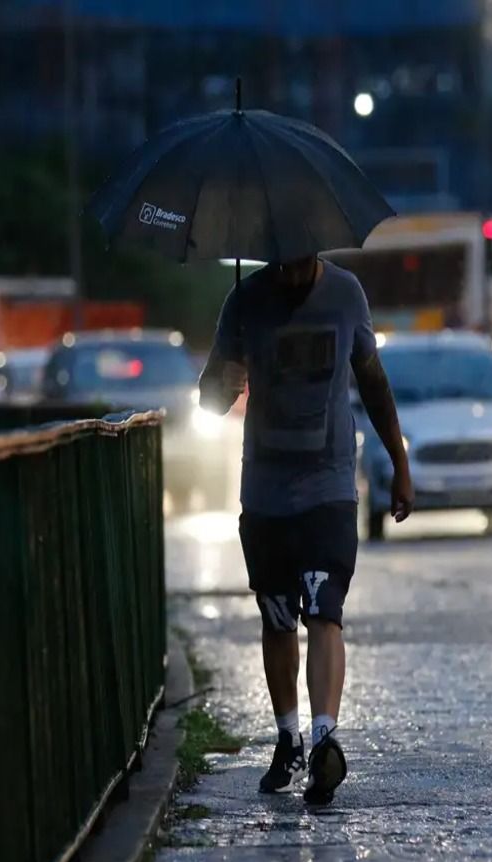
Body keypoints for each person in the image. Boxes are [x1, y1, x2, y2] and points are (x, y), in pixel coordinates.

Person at [199, 254, 414, 806]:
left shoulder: (347, 295)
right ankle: (288, 736)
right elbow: (208, 400)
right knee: (277, 618)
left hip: (329, 488)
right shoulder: (243, 302)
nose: (293, 275)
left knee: (324, 611)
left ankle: (324, 741)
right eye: (283, 263)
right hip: (266, 493)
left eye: (301, 262)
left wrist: (400, 463)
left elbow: (373, 381)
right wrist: (226, 383)